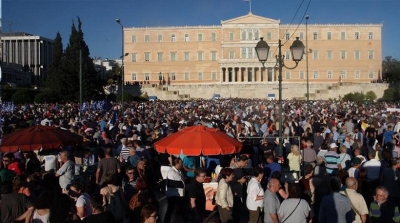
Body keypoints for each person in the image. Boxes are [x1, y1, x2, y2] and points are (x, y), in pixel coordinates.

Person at [164, 158, 186, 223]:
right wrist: (182, 184)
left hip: (179, 194)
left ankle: (184, 219)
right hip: (173, 194)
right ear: (177, 164)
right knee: (170, 209)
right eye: (181, 163)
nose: (182, 165)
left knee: (181, 208)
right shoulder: (171, 172)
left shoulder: (179, 171)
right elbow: (172, 183)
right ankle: (166, 221)